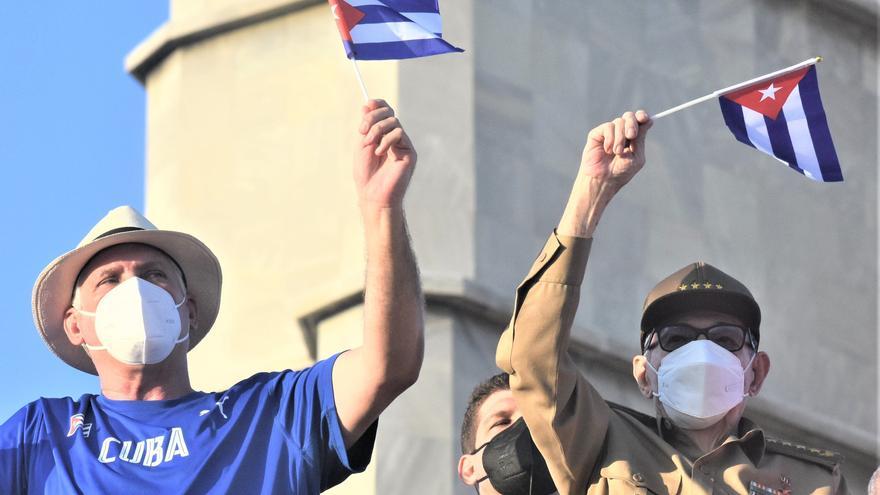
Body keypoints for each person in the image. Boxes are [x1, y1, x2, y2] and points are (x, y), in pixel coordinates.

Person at [0, 99, 424, 493]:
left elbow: (390, 364)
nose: (136, 290)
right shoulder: (40, 435)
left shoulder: (270, 416)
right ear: (75, 325)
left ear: (191, 312)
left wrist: (381, 209)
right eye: (109, 280)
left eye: (154, 274)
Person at [458, 111, 849, 494]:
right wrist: (591, 193)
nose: (702, 352)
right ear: (644, 375)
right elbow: (530, 356)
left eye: (725, 339)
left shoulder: (812, 481)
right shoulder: (598, 445)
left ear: (756, 373)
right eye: (677, 339)